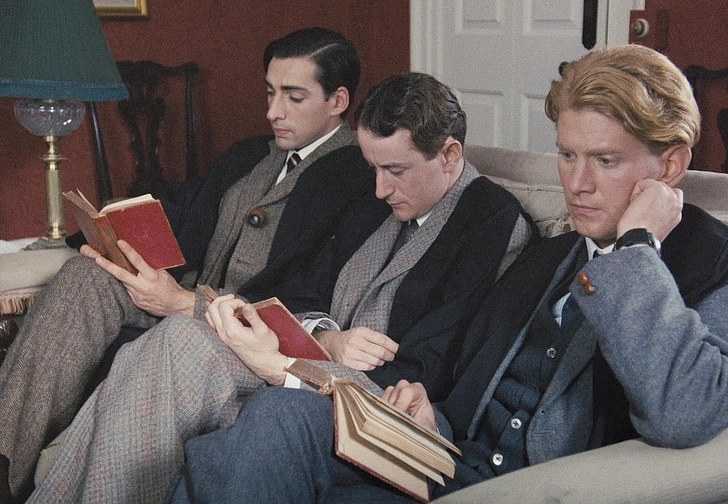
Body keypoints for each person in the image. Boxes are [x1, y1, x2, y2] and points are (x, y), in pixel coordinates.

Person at [164, 44, 728, 503]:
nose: (578, 185)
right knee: (269, 422)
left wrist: (637, 247)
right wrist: (430, 413)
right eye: (567, 155)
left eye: (606, 161)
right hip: (449, 463)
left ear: (669, 166)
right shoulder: (551, 257)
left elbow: (687, 411)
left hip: (539, 485)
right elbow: (467, 384)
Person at [27, 72, 534, 503]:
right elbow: (306, 290)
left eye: (395, 171)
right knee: (163, 343)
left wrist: (310, 361)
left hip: (364, 400)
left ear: (449, 155)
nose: (380, 188)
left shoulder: (492, 223)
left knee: (182, 346)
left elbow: (435, 366)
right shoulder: (377, 199)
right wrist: (328, 336)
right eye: (374, 168)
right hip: (307, 357)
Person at [0, 27, 392, 503]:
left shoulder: (361, 179)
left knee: (175, 331)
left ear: (338, 101)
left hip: (241, 336)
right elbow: (183, 207)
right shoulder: (251, 154)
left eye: (293, 97)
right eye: (269, 93)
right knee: (85, 276)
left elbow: (311, 307)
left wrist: (186, 304)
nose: (274, 111)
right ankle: (4, 465)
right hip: (184, 295)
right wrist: (110, 231)